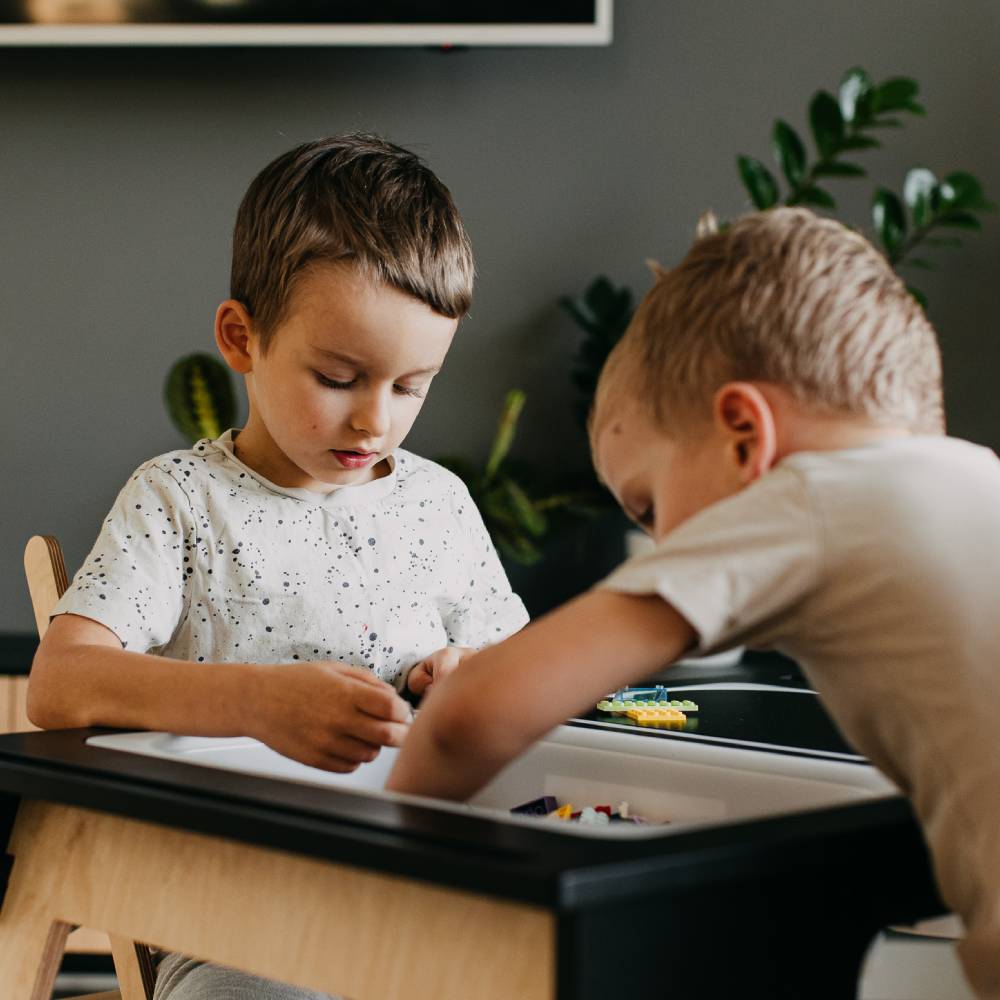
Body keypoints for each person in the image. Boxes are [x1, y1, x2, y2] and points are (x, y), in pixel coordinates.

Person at [388, 206, 1000, 999]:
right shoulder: (974, 477)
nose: (658, 543)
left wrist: (375, 875)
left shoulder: (806, 496)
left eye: (647, 507)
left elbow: (475, 710)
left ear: (746, 436)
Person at [28, 133, 528, 1000]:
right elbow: (58, 684)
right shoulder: (181, 502)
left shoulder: (438, 505)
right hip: (231, 918)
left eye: (412, 386)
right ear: (241, 338)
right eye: (339, 376)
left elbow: (521, 680)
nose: (375, 420)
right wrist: (256, 701)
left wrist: (470, 680)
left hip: (432, 903)